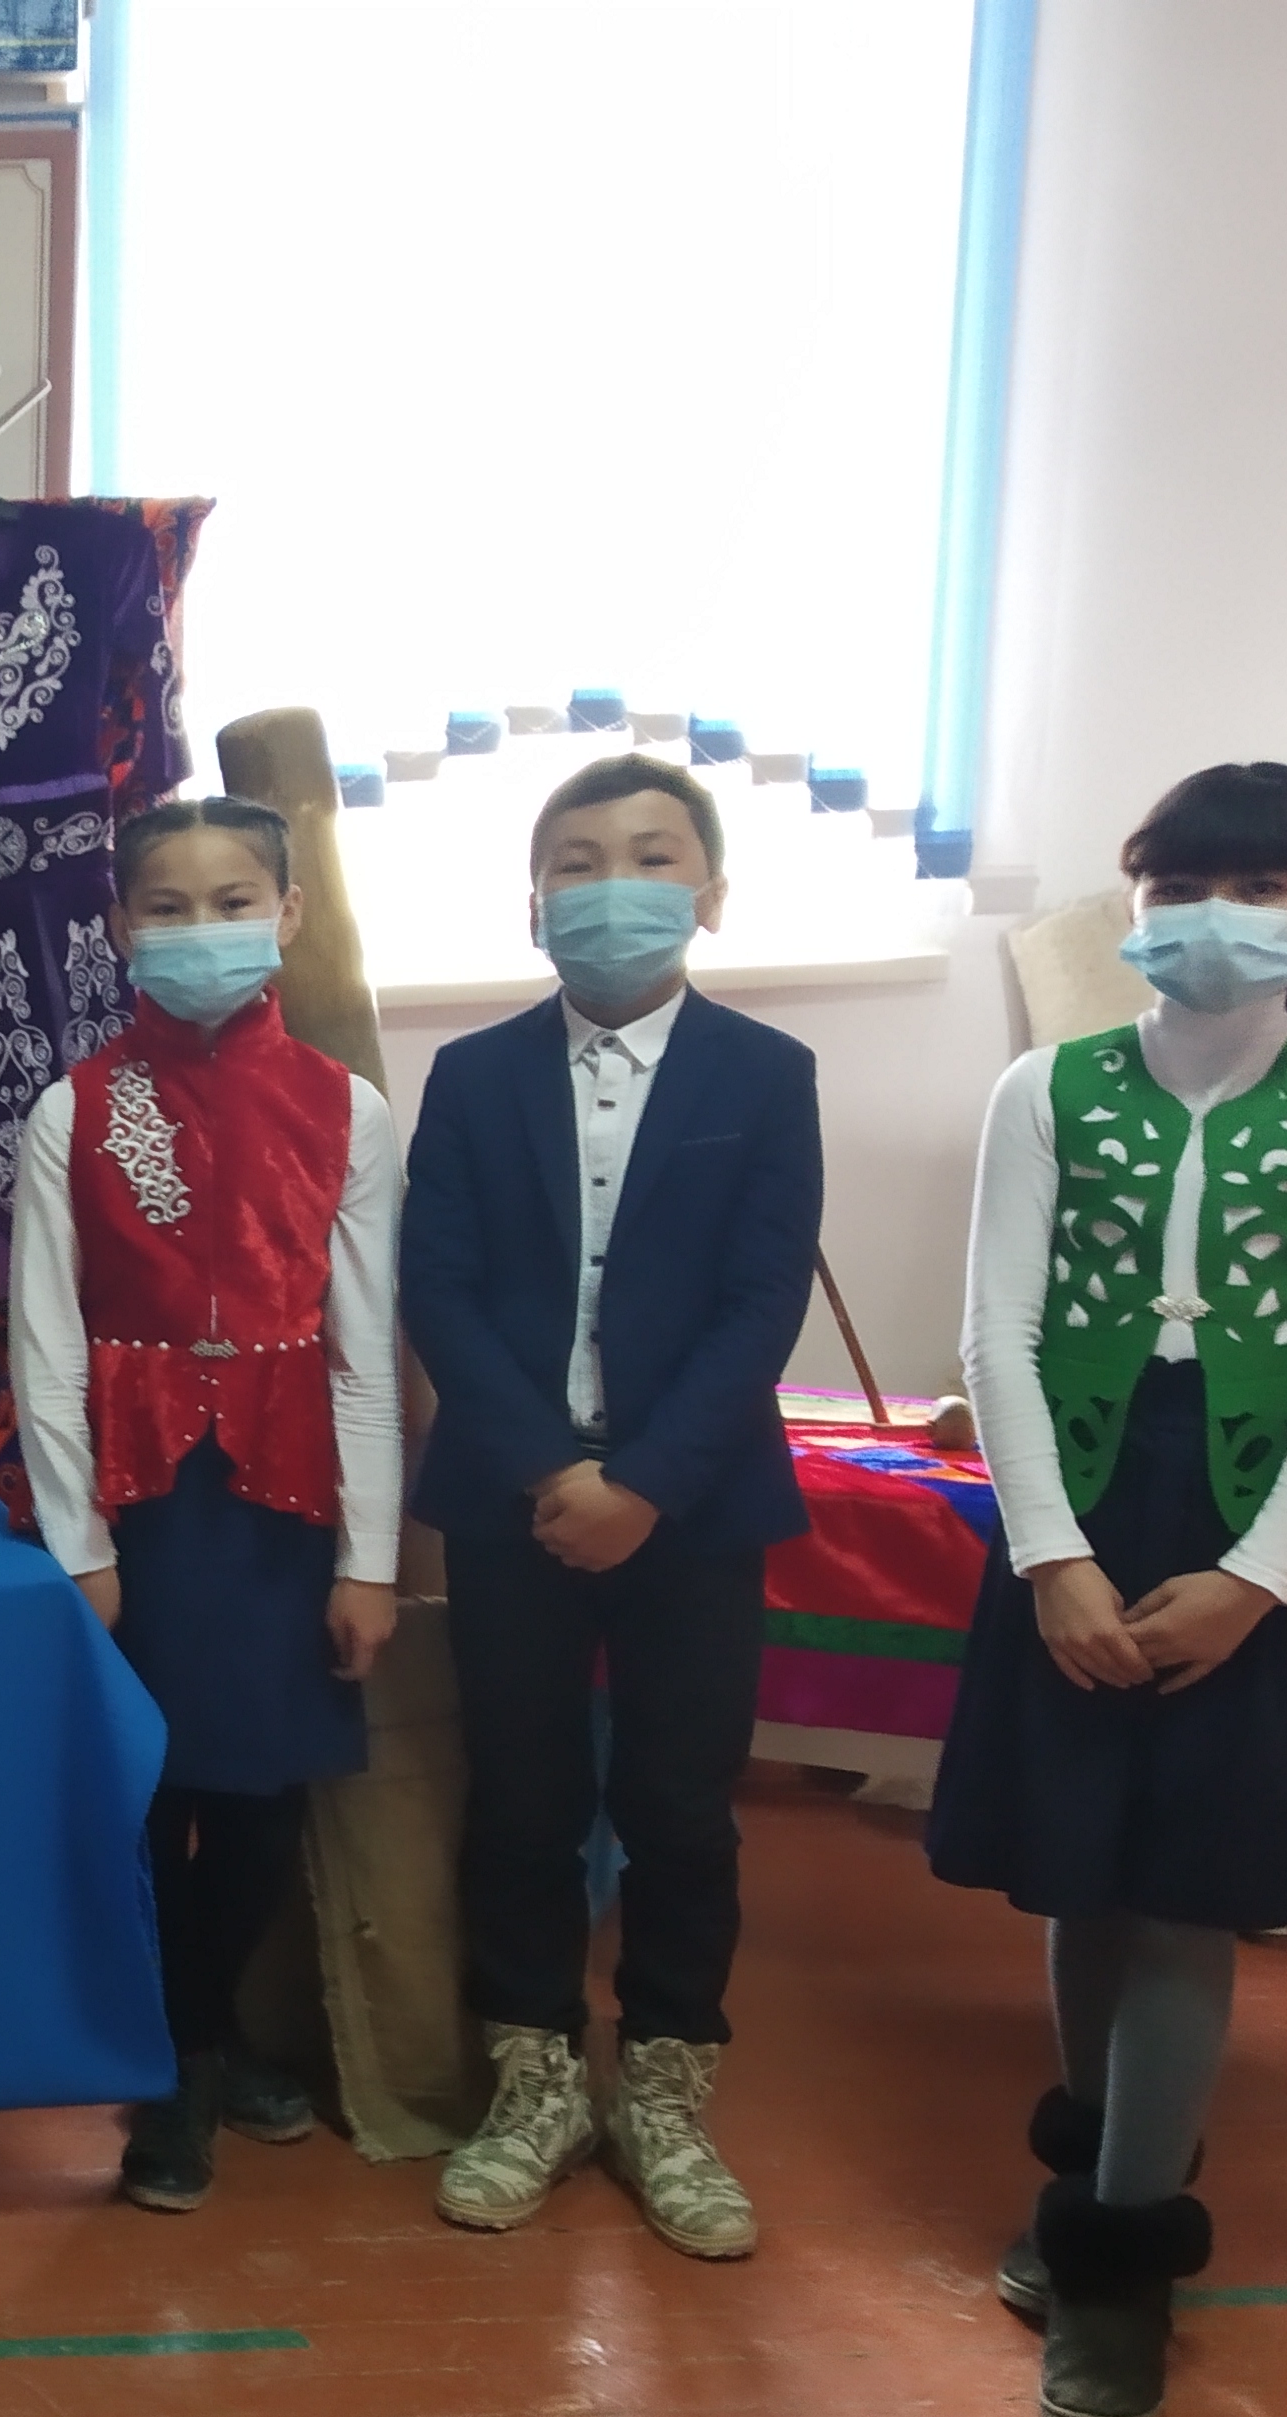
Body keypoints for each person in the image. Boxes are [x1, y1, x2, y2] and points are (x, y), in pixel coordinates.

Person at [929, 764, 1287, 2417]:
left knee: (1184, 1894)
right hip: (1077, 1497)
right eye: (1180, 886)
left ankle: (1121, 2258)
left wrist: (1256, 1579)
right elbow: (996, 1336)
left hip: (1256, 1521)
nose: (1216, 918)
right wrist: (1049, 1554)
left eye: (1261, 888)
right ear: (1133, 905)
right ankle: (1104, 2154)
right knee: (1087, 1865)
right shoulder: (1046, 1088)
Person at [397, 753, 822, 2256]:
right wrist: (550, 1471)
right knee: (522, 1796)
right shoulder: (472, 1074)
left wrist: (641, 1483)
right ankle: (535, 2085)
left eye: (651, 857)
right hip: (513, 1496)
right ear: (535, 904)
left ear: (710, 894)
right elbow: (440, 1289)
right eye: (577, 863)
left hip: (693, 1504)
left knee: (680, 1806)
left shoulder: (766, 1074)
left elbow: (762, 1300)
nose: (613, 886)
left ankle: (664, 2088)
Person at [8, 798, 401, 2209]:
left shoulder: (349, 1110)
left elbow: (366, 1343)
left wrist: (369, 1559)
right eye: (167, 908)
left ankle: (212, 2030)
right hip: (143, 1498)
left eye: (234, 901)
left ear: (286, 913)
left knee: (262, 1795)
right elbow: (45, 1344)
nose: (201, 930)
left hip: (287, 1501)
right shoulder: (75, 1109)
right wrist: (78, 1543)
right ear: (121, 927)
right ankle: (174, 2065)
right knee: (157, 1785)